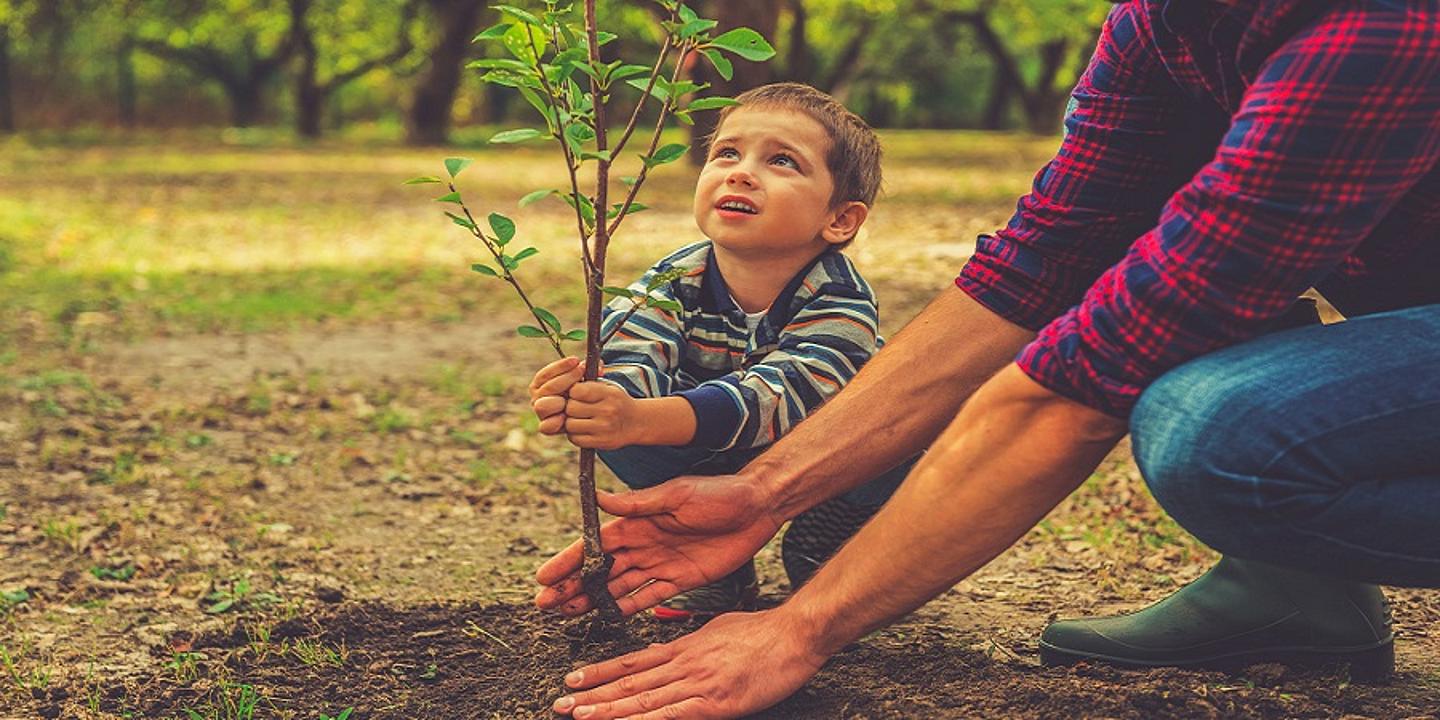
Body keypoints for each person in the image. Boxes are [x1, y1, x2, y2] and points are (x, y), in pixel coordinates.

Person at [532, 0, 1440, 717]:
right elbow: (1041, 265)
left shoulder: (1377, 25)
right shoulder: (1160, 28)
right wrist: (760, 492)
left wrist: (799, 628)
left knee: (1219, 431)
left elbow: (1089, 376)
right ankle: (1299, 591)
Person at [528, 82, 913, 622]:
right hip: (707, 448)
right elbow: (633, 346)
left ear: (840, 219)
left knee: (908, 434)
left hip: (817, 456)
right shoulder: (676, 277)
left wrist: (648, 416)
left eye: (782, 161)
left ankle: (834, 536)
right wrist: (600, 400)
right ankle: (718, 564)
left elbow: (783, 394)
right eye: (726, 153)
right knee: (618, 427)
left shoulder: (840, 297)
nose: (740, 172)